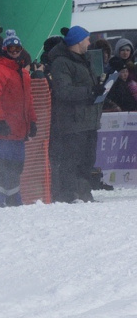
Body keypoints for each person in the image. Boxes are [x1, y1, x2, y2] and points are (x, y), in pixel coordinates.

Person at [46, 26, 104, 203]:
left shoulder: (82, 60)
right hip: (73, 121)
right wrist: (90, 91)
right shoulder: (61, 63)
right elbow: (63, 91)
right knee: (72, 160)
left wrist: (99, 88)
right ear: (78, 41)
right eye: (87, 39)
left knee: (87, 160)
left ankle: (84, 193)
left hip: (88, 120)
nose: (89, 42)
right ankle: (68, 194)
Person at [0, 30, 37, 207]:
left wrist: (32, 120)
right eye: (11, 48)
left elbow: (28, 100)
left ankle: (13, 198)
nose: (14, 51)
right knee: (0, 164)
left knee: (16, 166)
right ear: (5, 48)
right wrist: (0, 120)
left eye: (18, 47)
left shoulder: (22, 73)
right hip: (3, 129)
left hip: (19, 130)